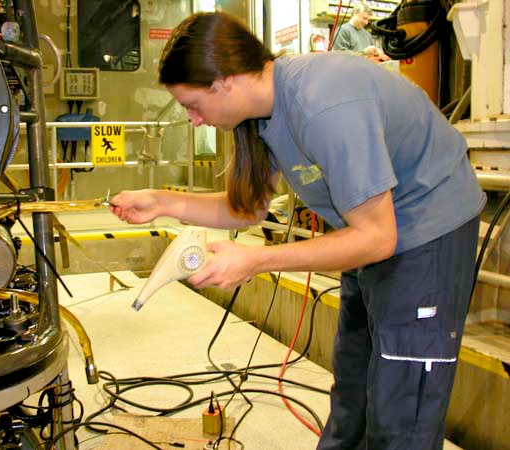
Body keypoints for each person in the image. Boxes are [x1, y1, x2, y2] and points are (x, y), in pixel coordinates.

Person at [110, 11, 485, 450]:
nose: (194, 120)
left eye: (193, 105)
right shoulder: (262, 116)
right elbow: (246, 209)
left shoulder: (322, 103)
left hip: (427, 233)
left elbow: (378, 238)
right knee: (353, 388)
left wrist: (256, 260)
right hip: (373, 233)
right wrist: (161, 203)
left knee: (400, 408)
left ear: (225, 80)